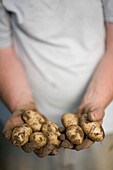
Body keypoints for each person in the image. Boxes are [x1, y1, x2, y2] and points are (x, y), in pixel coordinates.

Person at [0, 0, 113, 169]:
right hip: (18, 117)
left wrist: (96, 100)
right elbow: (2, 50)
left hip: (102, 116)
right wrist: (21, 104)